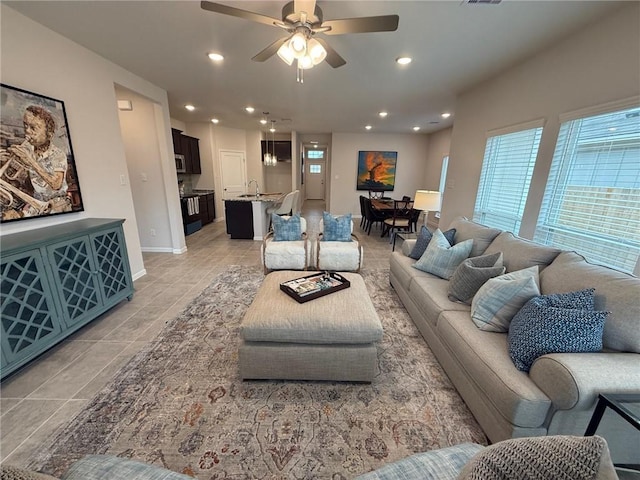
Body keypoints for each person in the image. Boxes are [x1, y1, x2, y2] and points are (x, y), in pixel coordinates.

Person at [6, 105, 71, 215]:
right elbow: (26, 183)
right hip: (36, 202)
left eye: (33, 128)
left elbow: (56, 185)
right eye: (25, 126)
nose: (27, 131)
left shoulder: (58, 154)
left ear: (49, 133)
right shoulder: (28, 149)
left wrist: (31, 161)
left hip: (58, 203)